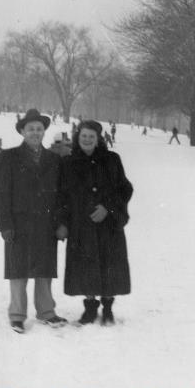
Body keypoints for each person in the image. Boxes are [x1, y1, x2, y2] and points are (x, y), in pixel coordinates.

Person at [0, 109, 67, 334]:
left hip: (46, 223)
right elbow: (2, 193)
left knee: (44, 269)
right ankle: (17, 315)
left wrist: (61, 222)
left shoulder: (55, 159)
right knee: (18, 270)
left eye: (39, 129)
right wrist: (4, 224)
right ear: (23, 131)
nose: (35, 132)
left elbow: (62, 194)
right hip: (19, 223)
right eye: (31, 129)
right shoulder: (8, 157)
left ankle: (46, 312)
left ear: (44, 131)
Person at [57, 120, 133, 326]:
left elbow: (125, 189)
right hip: (81, 225)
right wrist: (63, 222)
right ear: (77, 137)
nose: (87, 140)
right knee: (85, 265)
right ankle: (90, 309)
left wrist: (107, 208)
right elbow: (62, 196)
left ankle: (108, 308)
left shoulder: (112, 160)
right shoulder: (68, 163)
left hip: (108, 224)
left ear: (98, 139)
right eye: (84, 136)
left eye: (91, 136)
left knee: (109, 264)